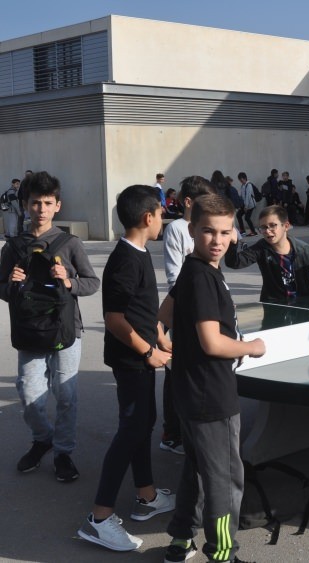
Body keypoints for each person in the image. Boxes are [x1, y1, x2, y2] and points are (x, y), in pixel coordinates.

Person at [159, 193, 266, 563]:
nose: (217, 240)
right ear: (191, 230)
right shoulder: (204, 277)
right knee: (224, 480)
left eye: (225, 231)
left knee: (197, 470)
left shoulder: (192, 268)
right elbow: (212, 342)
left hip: (188, 393)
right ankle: (222, 552)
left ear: (234, 231)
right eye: (208, 231)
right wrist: (251, 347)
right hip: (212, 396)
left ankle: (180, 540)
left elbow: (165, 314)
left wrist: (178, 345)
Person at [78, 184, 173, 552]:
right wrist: (149, 349)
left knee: (143, 423)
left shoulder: (139, 251)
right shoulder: (124, 259)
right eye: (161, 213)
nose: (163, 219)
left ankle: (147, 495)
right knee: (131, 429)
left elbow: (140, 310)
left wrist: (160, 335)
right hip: (130, 360)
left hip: (141, 354)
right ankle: (100, 518)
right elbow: (115, 319)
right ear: (148, 217)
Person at [0, 171, 99, 482]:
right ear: (26, 206)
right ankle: (43, 438)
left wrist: (68, 281)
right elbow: (1, 287)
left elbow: (92, 282)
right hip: (29, 329)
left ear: (58, 205)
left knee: (66, 395)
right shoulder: (14, 246)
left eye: (47, 203)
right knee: (29, 394)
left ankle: (63, 452)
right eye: (35, 203)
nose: (41, 209)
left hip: (67, 329)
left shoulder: (69, 243)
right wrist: (11, 285)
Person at [160, 175, 216, 455]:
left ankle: (192, 427)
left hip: (203, 307)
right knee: (176, 373)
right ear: (188, 202)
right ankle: (172, 433)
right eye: (204, 202)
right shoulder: (177, 230)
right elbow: (174, 275)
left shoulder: (207, 226)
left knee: (197, 370)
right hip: (184, 309)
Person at [236, 172, 257, 236]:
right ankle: (242, 231)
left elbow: (248, 196)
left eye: (241, 179)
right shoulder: (243, 185)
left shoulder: (249, 185)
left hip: (250, 205)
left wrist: (246, 207)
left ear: (245, 178)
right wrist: (240, 205)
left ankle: (254, 232)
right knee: (238, 215)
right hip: (245, 204)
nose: (241, 181)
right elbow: (242, 196)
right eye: (240, 180)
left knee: (247, 218)